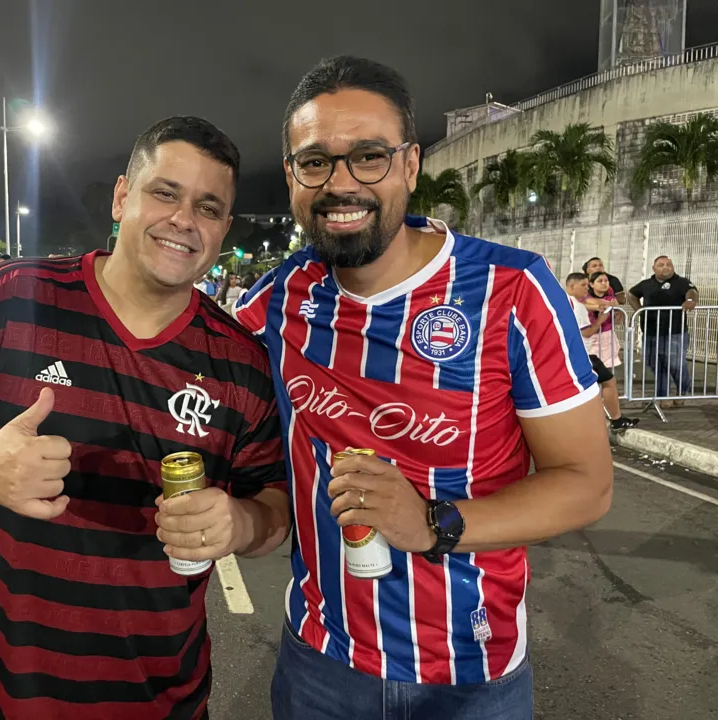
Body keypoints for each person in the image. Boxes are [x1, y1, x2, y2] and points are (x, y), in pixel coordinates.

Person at [0, 116, 291, 720]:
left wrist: (240, 524)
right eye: (164, 193)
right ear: (123, 197)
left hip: (161, 704)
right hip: (0, 700)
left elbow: (274, 508)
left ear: (224, 227)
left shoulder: (241, 363)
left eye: (208, 206)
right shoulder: (12, 298)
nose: (183, 220)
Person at [235, 56, 613, 720]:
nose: (341, 183)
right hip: (320, 666)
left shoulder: (512, 291)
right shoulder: (279, 297)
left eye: (369, 157)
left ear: (410, 165)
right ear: (292, 176)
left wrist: (434, 524)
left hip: (473, 678)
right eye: (315, 162)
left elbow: (586, 481)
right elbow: (167, 350)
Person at [566, 273, 637, 431]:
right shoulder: (577, 308)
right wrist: (600, 320)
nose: (587, 289)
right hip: (581, 354)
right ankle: (615, 420)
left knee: (598, 383)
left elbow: (594, 304)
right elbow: (587, 332)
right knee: (609, 381)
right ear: (572, 287)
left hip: (569, 353)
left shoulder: (563, 301)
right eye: (583, 285)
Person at [627, 255, 698, 404]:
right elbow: (631, 294)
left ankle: (682, 391)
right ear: (653, 268)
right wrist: (639, 310)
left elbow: (692, 292)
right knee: (656, 364)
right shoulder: (646, 284)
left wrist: (690, 300)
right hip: (651, 331)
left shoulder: (681, 282)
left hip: (675, 332)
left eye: (668, 264)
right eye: (661, 264)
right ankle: (662, 397)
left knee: (675, 363)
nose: (665, 267)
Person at [587, 270, 622, 369]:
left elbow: (618, 321)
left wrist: (617, 311)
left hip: (608, 337)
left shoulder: (612, 299)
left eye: (606, 281)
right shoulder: (586, 298)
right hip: (591, 337)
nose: (604, 283)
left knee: (608, 372)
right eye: (600, 281)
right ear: (591, 284)